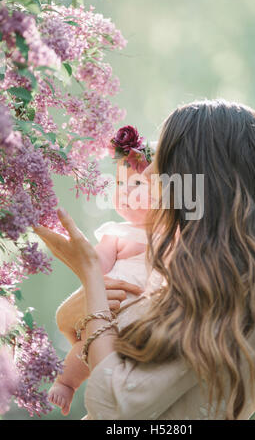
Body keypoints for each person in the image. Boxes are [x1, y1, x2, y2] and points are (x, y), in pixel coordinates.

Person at [34, 99, 255, 420]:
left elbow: (118, 408)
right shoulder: (183, 271)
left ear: (199, 181)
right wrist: (77, 308)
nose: (146, 171)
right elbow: (79, 334)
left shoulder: (223, 296)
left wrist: (90, 273)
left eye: (161, 160)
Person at [48, 129, 161, 415]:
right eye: (120, 183)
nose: (124, 192)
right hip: (110, 315)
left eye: (137, 183)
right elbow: (93, 268)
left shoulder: (171, 235)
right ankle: (66, 384)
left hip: (148, 324)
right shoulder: (117, 235)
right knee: (82, 353)